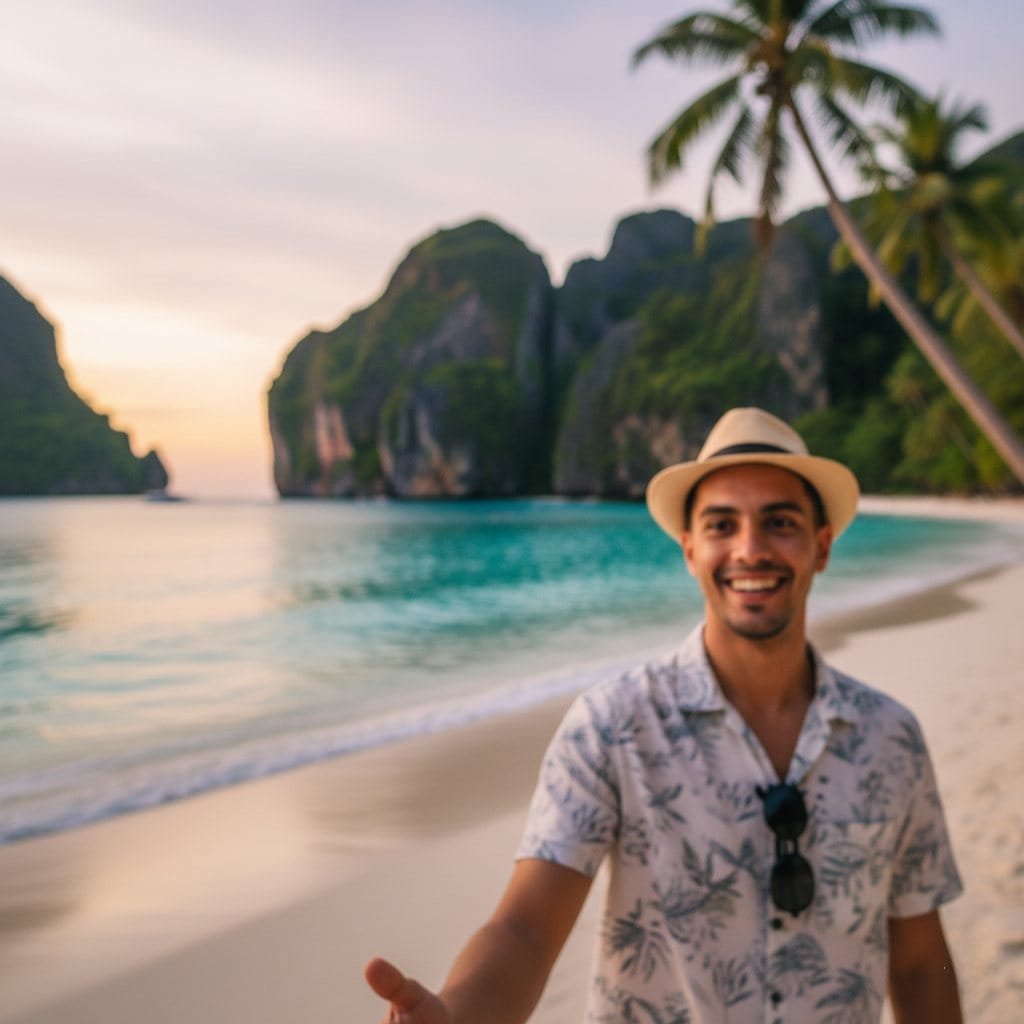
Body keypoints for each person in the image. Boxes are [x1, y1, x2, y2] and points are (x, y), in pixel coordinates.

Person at [365, 407, 963, 1023]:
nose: (750, 549)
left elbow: (920, 963)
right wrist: (460, 1014)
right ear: (690, 550)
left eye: (780, 523)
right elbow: (526, 930)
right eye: (722, 525)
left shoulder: (890, 738)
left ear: (822, 546)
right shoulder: (613, 726)